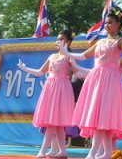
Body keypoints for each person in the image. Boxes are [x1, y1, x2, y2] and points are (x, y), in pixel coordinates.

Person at [58, 6, 122, 159]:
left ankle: (98, 152)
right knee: (98, 116)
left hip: (110, 80)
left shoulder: (119, 41)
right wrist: (66, 52)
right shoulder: (100, 42)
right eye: (106, 23)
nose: (107, 25)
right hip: (97, 79)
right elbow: (82, 55)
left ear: (118, 24)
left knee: (105, 116)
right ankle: (103, 152)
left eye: (110, 23)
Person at [18, 29, 88, 158]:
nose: (58, 41)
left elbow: (77, 72)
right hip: (50, 88)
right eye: (57, 39)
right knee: (55, 123)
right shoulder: (52, 56)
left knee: (54, 122)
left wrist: (90, 74)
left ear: (68, 41)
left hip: (62, 89)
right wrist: (25, 68)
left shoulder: (69, 57)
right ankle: (62, 151)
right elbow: (40, 72)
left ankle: (43, 151)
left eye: (61, 39)